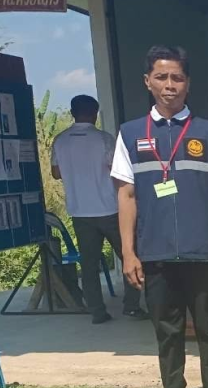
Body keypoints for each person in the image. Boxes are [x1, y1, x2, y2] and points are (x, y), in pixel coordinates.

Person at [112, 44, 208, 388]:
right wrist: (128, 252)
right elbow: (127, 194)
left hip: (203, 250)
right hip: (154, 253)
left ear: (188, 84)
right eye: (162, 77)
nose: (170, 85)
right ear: (148, 81)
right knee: (166, 330)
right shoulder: (130, 134)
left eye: (177, 78)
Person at [53, 93, 145, 324]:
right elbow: (118, 172)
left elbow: (55, 173)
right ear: (95, 114)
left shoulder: (60, 140)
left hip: (79, 211)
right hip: (109, 208)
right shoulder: (104, 139)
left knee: (89, 264)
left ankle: (97, 311)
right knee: (129, 256)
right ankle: (132, 306)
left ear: (73, 113)